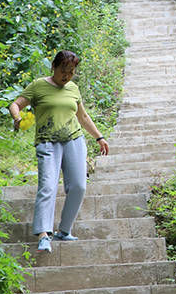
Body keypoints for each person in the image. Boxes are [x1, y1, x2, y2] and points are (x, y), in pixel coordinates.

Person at [7, 50, 109, 253]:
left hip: (74, 140)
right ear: (53, 67)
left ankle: (64, 230)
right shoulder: (38, 86)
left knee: (79, 186)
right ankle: (44, 234)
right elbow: (15, 104)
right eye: (63, 71)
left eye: (71, 72)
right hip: (47, 142)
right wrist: (17, 118)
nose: (67, 76)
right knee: (48, 186)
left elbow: (83, 116)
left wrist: (99, 137)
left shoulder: (73, 88)